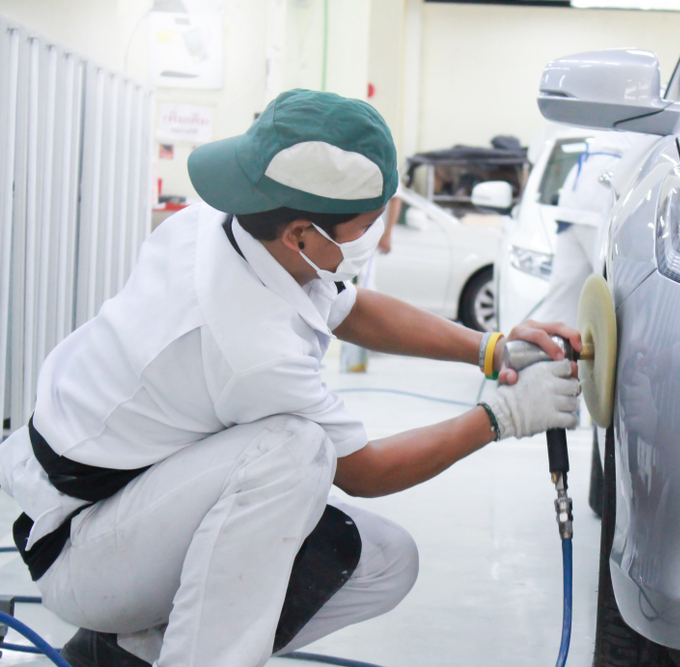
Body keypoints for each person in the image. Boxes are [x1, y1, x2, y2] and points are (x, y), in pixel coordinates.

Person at [0, 89, 581, 667]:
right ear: (301, 234)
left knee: (383, 560)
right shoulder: (249, 344)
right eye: (366, 226)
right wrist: (501, 418)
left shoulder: (238, 223)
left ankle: (126, 654)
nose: (376, 238)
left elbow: (346, 305)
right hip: (82, 545)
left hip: (136, 501)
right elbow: (366, 472)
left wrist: (490, 348)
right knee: (294, 452)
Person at [533, 131, 641, 328]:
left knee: (563, 297)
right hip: (603, 193)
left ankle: (547, 356)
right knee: (617, 298)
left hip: (577, 194)